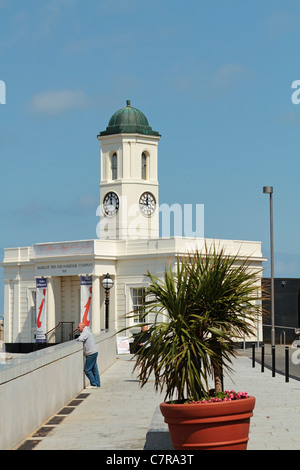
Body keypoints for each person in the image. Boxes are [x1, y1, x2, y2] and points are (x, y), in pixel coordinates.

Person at [76, 323, 100, 389]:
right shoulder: (88, 331)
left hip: (91, 353)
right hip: (94, 352)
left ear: (82, 327)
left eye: (78, 327)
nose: (77, 329)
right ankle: (97, 383)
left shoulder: (85, 332)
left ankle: (93, 384)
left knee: (87, 370)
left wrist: (76, 339)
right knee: (95, 369)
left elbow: (80, 339)